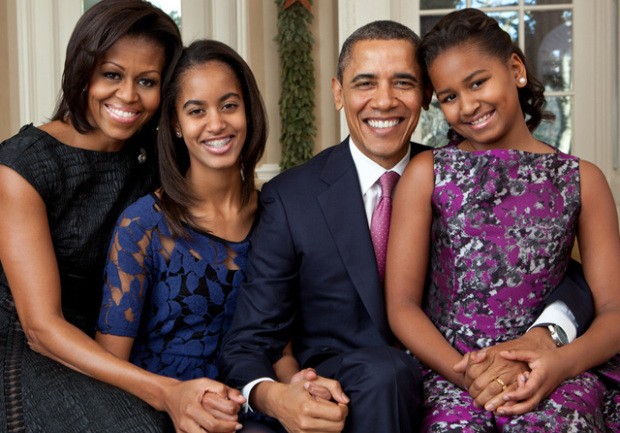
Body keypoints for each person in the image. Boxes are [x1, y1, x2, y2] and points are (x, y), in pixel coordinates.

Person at [218, 19, 594, 433]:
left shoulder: (455, 175)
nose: (384, 101)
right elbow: (249, 340)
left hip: (457, 380)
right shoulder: (292, 197)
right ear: (338, 93)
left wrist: (551, 328)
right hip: (351, 393)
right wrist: (280, 394)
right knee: (385, 373)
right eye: (365, 84)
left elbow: (545, 264)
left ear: (426, 95)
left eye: (403, 82)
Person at [386, 8, 620, 432]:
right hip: (450, 368)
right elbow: (401, 306)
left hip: (552, 368)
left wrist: (558, 364)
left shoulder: (583, 179)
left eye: (477, 82)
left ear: (515, 69)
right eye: (449, 97)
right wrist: (468, 376)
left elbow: (614, 310)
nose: (468, 105)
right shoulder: (428, 173)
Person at [0, 1, 183, 431]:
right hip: (29, 345)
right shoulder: (22, 166)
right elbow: (41, 328)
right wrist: (162, 389)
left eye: (148, 81)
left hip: (116, 340)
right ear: (83, 72)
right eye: (112, 75)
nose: (128, 96)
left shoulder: (154, 161)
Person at [95, 38, 293, 433]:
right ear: (175, 124)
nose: (216, 123)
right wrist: (173, 400)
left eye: (229, 105)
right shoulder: (143, 226)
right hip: (164, 413)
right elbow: (109, 366)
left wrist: (297, 389)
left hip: (259, 406)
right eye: (196, 110)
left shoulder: (280, 214)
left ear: (248, 112)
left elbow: (280, 341)